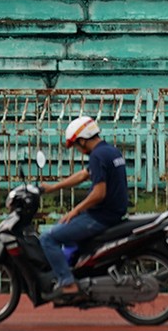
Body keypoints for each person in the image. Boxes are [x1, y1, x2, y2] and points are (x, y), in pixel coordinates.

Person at [37, 115, 129, 303]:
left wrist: (75, 210)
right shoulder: (110, 151)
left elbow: (99, 193)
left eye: (77, 146)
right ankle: (75, 269)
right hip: (113, 212)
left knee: (48, 238)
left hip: (100, 216)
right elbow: (83, 175)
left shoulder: (97, 155)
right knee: (61, 227)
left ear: (82, 140)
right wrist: (54, 187)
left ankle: (67, 283)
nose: (79, 150)